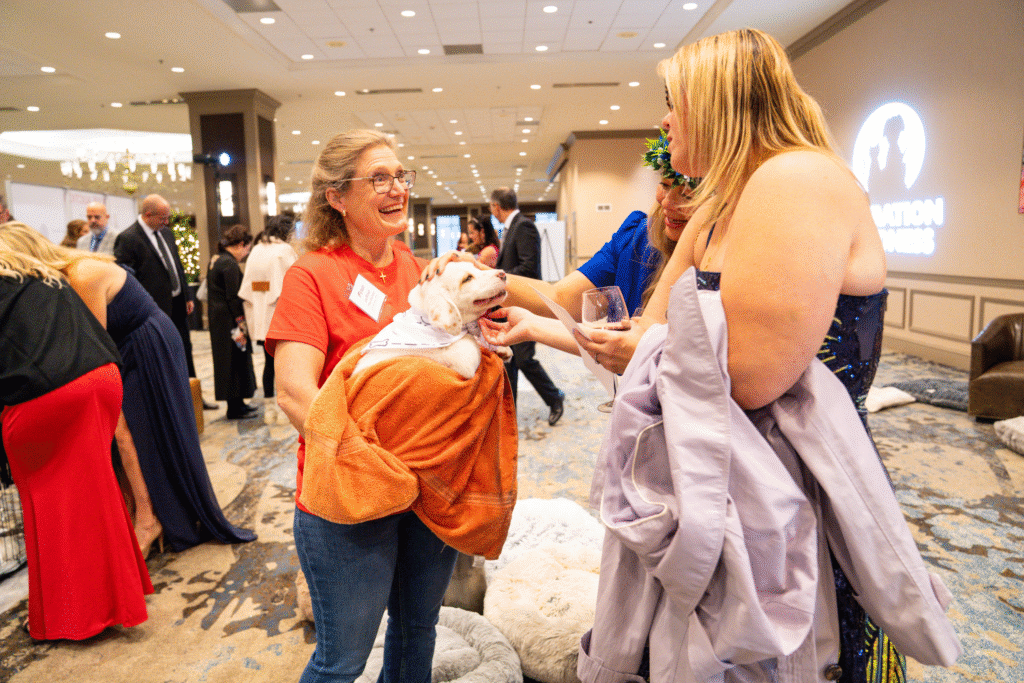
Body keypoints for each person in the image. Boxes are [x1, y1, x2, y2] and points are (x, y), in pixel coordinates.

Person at [587, 28, 906, 683]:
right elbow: (650, 331)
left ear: (719, 103)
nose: (666, 119)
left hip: (797, 494)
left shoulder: (799, 178)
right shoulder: (718, 206)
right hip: (713, 472)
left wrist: (648, 351)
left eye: (675, 101)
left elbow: (753, 378)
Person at [266, 129, 459, 683]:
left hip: (423, 487)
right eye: (379, 178)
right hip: (346, 493)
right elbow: (294, 392)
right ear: (336, 197)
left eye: (401, 176)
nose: (397, 187)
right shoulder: (312, 276)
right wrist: (367, 460)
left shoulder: (414, 268)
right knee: (342, 660)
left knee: (417, 631)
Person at [0, 222, 256, 553]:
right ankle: (149, 515)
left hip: (146, 345)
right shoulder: (70, 276)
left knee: (136, 433)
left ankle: (153, 518)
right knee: (136, 433)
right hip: (125, 347)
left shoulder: (82, 276)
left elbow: (94, 345)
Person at [0, 229, 153, 640]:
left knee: (49, 505)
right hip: (102, 379)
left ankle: (74, 616)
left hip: (47, 398)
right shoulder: (49, 277)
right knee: (95, 492)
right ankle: (118, 599)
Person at [490, 187, 565, 426]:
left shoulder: (523, 226)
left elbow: (529, 269)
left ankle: (554, 397)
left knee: (523, 359)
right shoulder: (511, 228)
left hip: (525, 304)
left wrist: (496, 277)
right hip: (509, 303)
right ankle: (508, 412)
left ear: (496, 207)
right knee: (510, 360)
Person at [113, 194, 200, 384]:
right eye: (163, 218)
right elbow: (127, 278)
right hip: (154, 307)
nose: (167, 222)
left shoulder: (166, 233)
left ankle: (192, 391)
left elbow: (177, 265)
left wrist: (187, 295)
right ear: (148, 215)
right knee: (162, 351)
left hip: (177, 303)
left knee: (184, 347)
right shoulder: (128, 238)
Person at [238, 213, 298, 423]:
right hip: (280, 312)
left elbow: (253, 285)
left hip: (261, 311)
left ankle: (269, 404)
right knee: (284, 361)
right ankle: (285, 405)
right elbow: (295, 281)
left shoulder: (257, 249)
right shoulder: (283, 250)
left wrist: (267, 291)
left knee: (268, 361)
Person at [207, 225, 258, 419]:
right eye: (247, 249)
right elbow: (233, 297)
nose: (246, 253)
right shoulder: (228, 264)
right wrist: (241, 322)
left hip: (219, 320)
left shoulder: (216, 258)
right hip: (230, 321)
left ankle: (238, 403)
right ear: (240, 244)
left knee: (228, 360)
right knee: (234, 360)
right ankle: (235, 408)